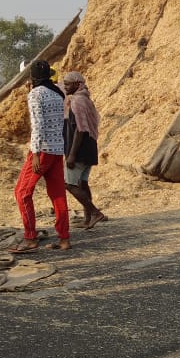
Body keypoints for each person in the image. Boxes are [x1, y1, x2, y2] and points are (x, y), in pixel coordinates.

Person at [11, 59, 71, 252]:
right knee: (58, 195)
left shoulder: (35, 94)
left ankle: (30, 238)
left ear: (32, 76)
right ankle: (64, 238)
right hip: (57, 150)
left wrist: (35, 153)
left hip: (42, 150)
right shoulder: (58, 93)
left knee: (22, 192)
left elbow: (38, 125)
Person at [61, 70, 107, 229]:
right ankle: (88, 218)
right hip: (89, 147)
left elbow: (80, 129)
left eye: (67, 84)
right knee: (82, 183)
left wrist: (72, 154)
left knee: (69, 184)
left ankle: (94, 213)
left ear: (76, 84)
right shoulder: (85, 99)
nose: (65, 86)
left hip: (79, 150)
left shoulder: (78, 101)